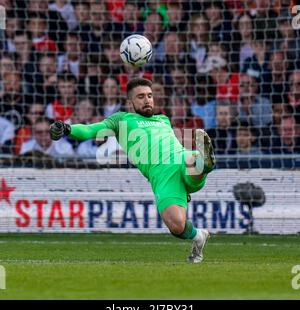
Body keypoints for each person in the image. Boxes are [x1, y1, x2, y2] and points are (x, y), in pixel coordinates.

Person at [50, 78, 216, 263]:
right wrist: (67, 128)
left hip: (181, 159)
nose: (147, 100)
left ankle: (203, 162)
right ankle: (198, 236)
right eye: (141, 97)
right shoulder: (121, 120)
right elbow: (90, 130)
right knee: (177, 227)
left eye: (150, 96)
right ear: (130, 103)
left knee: (191, 159)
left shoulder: (163, 119)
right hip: (162, 176)